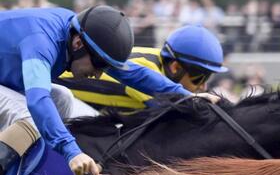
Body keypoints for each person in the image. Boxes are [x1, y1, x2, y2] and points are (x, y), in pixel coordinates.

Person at [0, 6, 197, 175]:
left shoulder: (81, 36)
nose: (98, 75)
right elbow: (37, 101)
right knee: (30, 113)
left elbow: (134, 74)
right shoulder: (41, 42)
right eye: (99, 66)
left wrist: (187, 96)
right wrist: (72, 152)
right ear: (78, 44)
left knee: (63, 98)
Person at [58, 23, 228, 112]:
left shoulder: (160, 59)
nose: (204, 86)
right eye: (200, 77)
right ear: (176, 67)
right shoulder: (148, 67)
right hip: (55, 96)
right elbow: (172, 114)